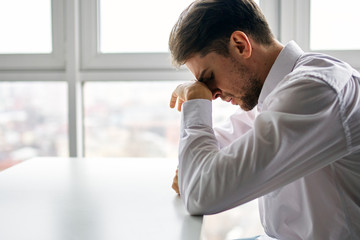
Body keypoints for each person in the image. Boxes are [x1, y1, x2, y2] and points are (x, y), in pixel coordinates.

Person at [168, 0, 360, 239]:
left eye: (208, 78)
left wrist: (197, 102)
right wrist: (193, 174)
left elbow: (201, 193)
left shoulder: (315, 91)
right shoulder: (273, 94)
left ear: (240, 45)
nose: (212, 94)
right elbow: (201, 168)